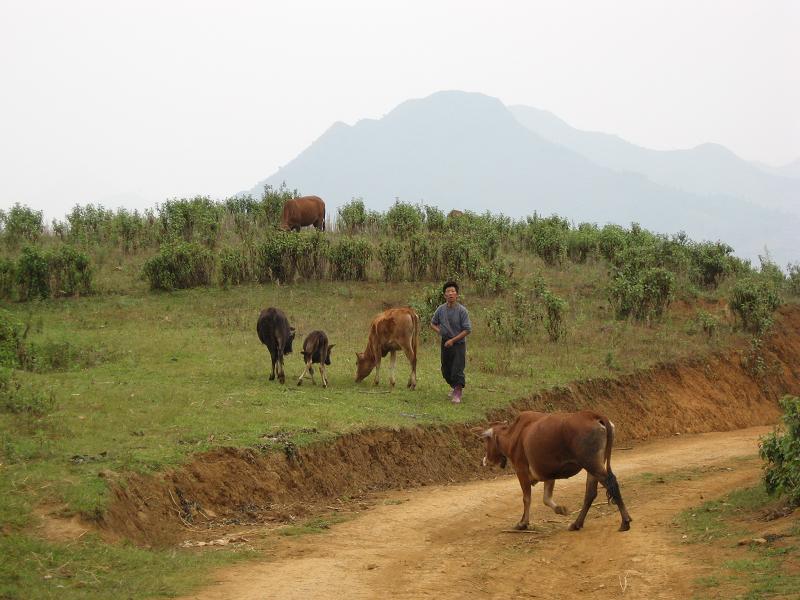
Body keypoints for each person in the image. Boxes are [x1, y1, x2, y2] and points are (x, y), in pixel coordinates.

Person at [430, 280, 472, 403]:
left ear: (457, 294)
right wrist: (440, 332)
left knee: (457, 369)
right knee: (446, 369)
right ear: (444, 295)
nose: (450, 294)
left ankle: (458, 392)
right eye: (448, 291)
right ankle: (454, 387)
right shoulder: (440, 309)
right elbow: (432, 323)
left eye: (453, 291)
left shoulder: (462, 311)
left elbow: (467, 329)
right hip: (445, 343)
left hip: (458, 344)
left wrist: (453, 340)